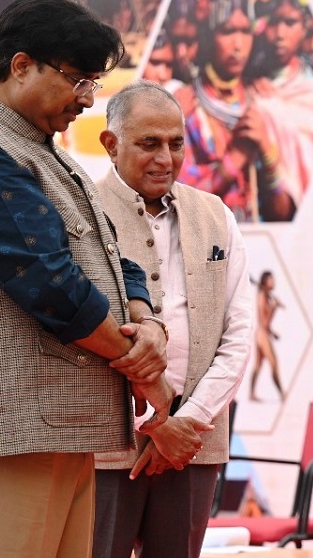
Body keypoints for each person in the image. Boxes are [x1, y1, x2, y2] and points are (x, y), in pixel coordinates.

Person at [0, 0, 171, 557]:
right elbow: (53, 288)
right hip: (2, 435)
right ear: (21, 65)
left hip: (55, 429)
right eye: (77, 80)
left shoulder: (46, 152)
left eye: (92, 84)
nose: (87, 99)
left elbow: (113, 259)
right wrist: (141, 367)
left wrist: (147, 321)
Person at [92, 80, 254, 558]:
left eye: (176, 144)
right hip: (105, 442)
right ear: (111, 143)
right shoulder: (82, 212)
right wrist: (154, 423)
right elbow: (77, 336)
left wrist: (188, 422)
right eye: (149, 144)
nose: (165, 158)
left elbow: (239, 334)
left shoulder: (215, 213)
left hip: (193, 445)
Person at [175, 0, 278, 221]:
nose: (238, 45)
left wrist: (267, 151)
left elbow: (283, 210)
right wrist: (234, 160)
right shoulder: (186, 105)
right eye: (228, 31)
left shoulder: (262, 99)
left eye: (245, 31)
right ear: (209, 35)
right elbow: (179, 200)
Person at [248, 0, 313, 221]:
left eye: (290, 23)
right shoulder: (254, 91)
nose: (280, 34)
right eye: (274, 22)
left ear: (305, 26)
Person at [250, 270, 285, 401]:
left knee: (258, 365)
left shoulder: (265, 295)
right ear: (265, 282)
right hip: (262, 336)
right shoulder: (262, 296)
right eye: (271, 279)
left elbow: (265, 323)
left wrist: (273, 333)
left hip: (262, 334)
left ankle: (252, 394)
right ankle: (282, 394)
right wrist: (274, 308)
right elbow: (264, 322)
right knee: (274, 364)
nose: (273, 282)